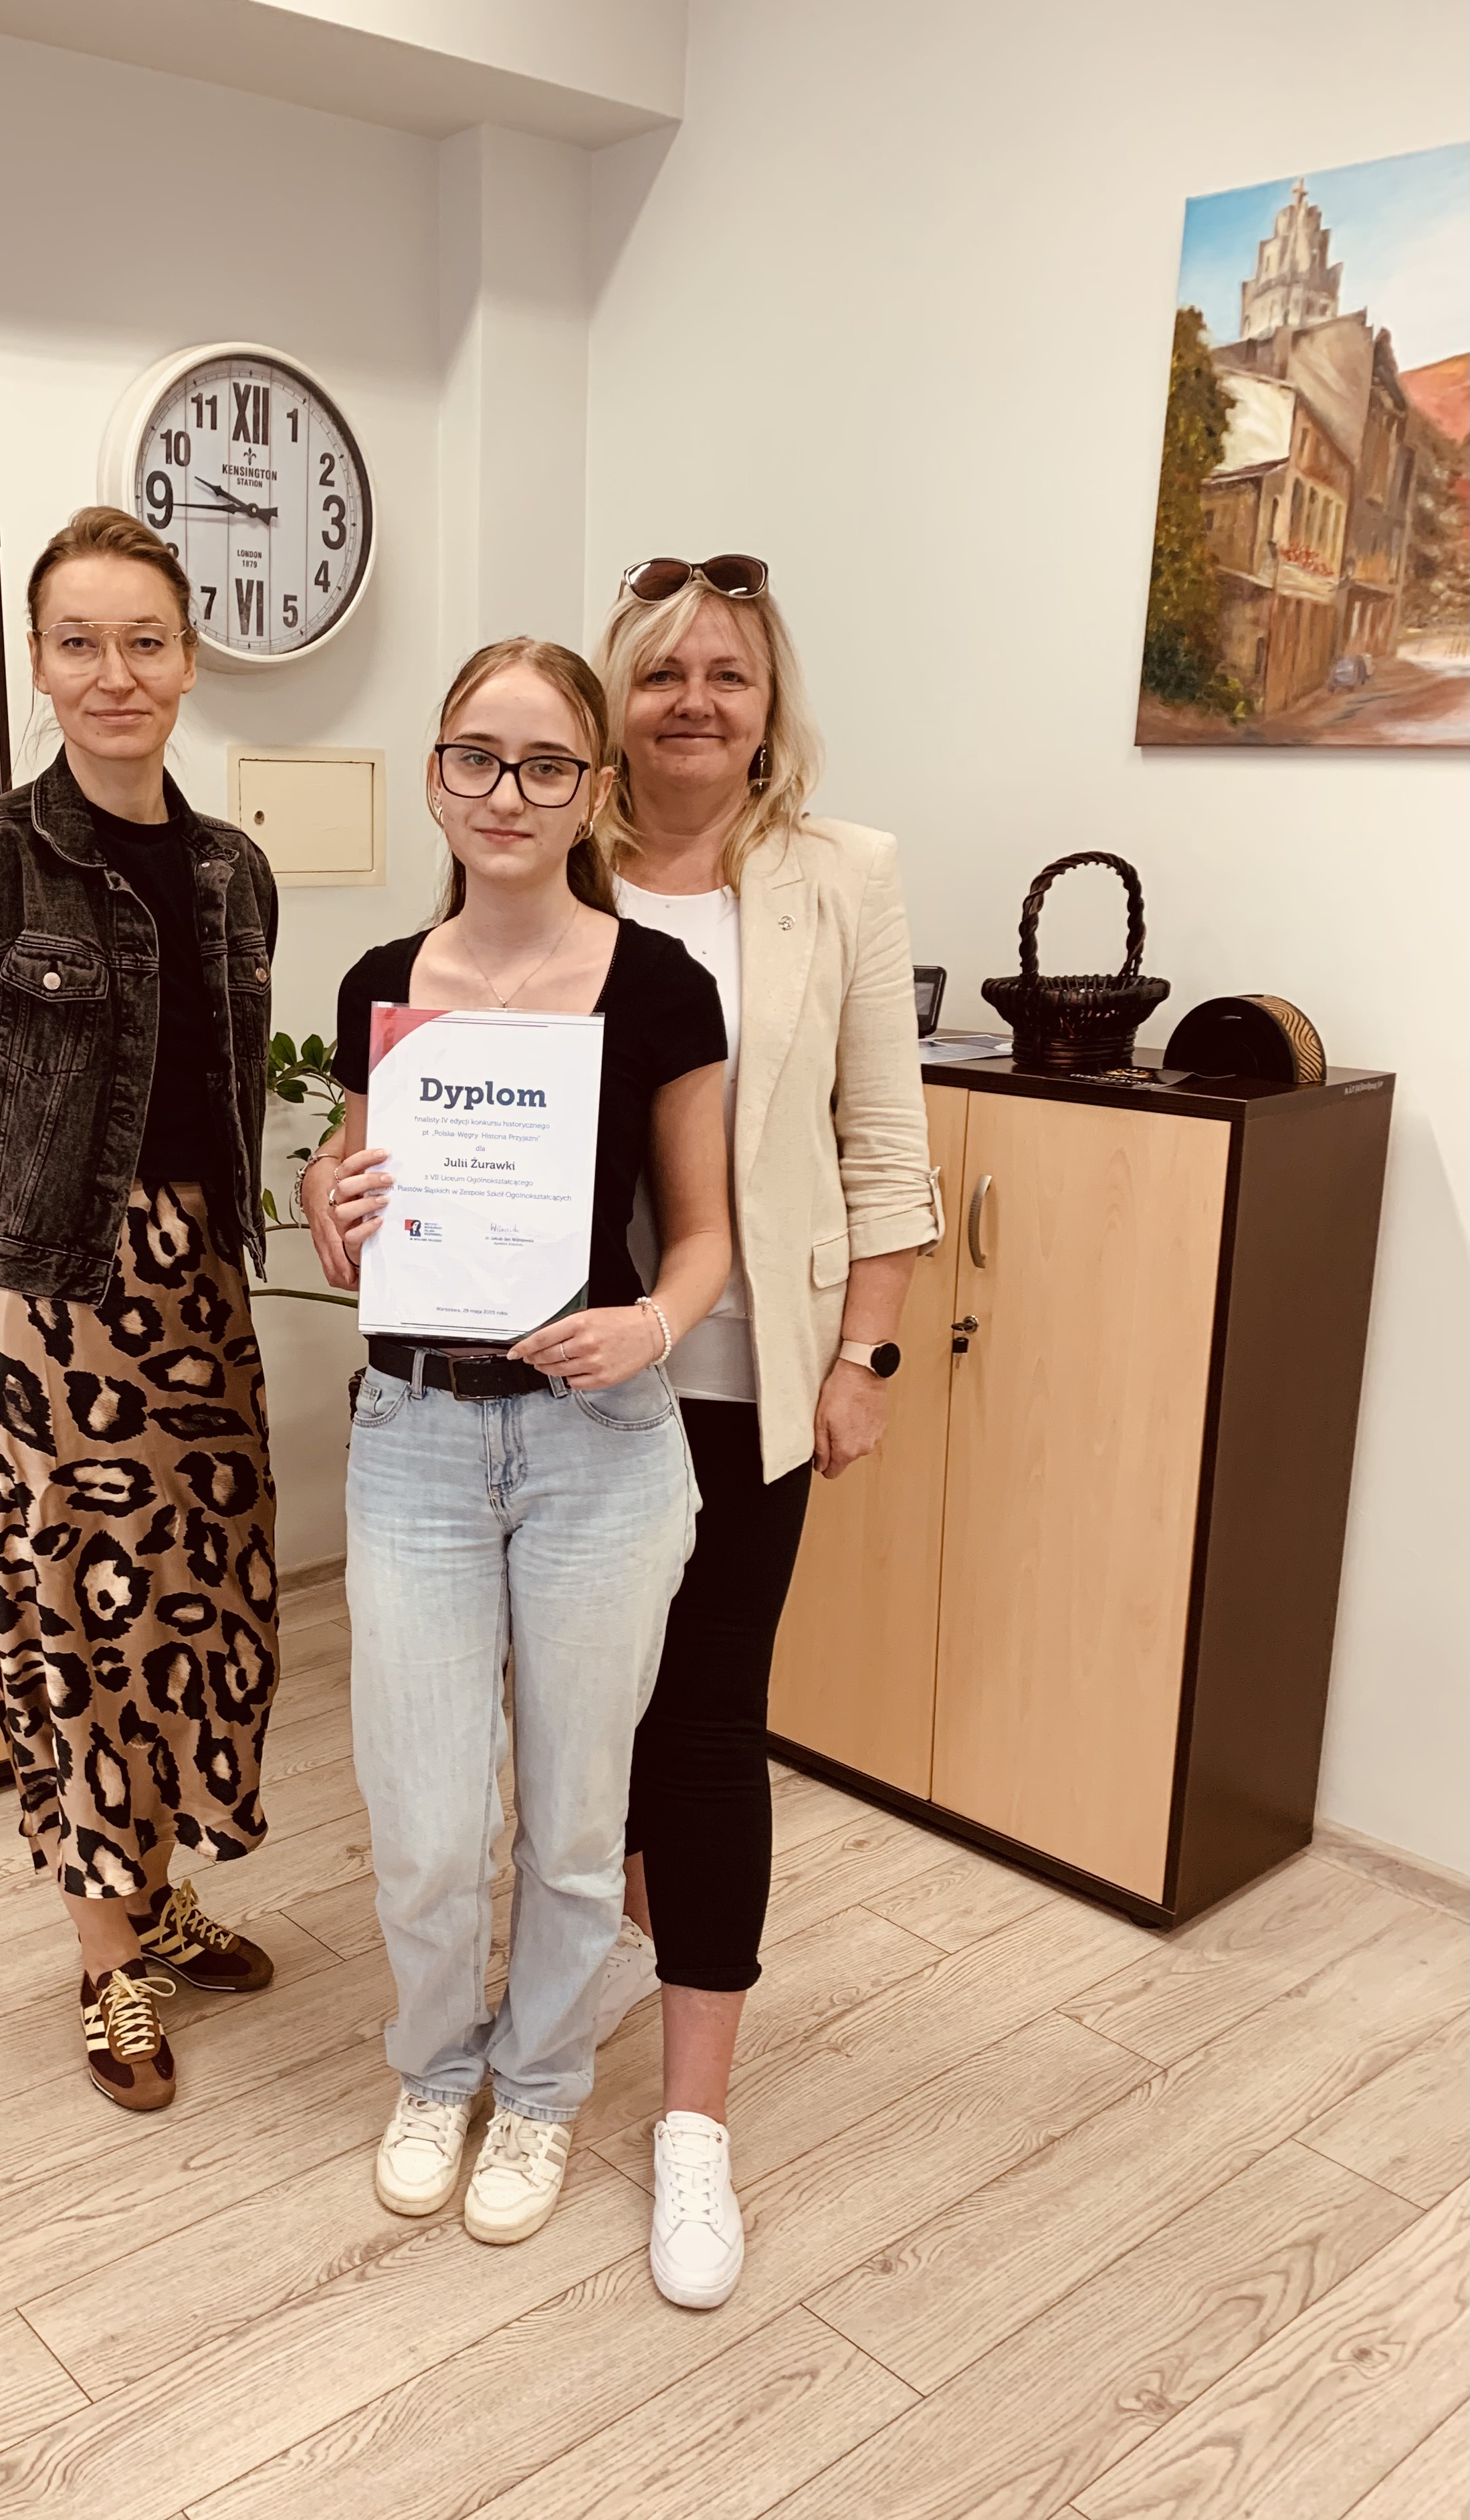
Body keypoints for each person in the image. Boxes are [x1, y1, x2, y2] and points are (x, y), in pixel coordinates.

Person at [0, 506, 282, 2115]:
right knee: (68, 1640)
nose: (114, 674)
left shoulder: (232, 873)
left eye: (144, 641)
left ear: (187, 659)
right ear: (37, 661)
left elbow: (219, 1095)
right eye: (80, 642)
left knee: (189, 1618)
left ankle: (154, 1897)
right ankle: (106, 1963)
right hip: (27, 1315)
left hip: (193, 1301)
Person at [302, 638, 730, 2248]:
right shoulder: (381, 984)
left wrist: (651, 1327)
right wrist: (326, 1200)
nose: (507, 792)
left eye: (546, 764)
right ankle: (436, 2067)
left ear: (592, 791)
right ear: (435, 777)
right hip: (415, 1436)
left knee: (570, 1823)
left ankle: (539, 2089)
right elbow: (353, 1202)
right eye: (476, 758)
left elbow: (704, 1234)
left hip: (595, 1441)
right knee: (424, 1828)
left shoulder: (659, 987)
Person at [590, 554, 936, 2309]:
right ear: (616, 699)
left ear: (766, 702)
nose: (695, 702)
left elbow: (884, 1140)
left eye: (726, 673)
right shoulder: (546, 853)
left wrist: (864, 1354)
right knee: (582, 1716)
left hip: (748, 1377)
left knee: (710, 1720)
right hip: (568, 1377)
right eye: (662, 674)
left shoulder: (837, 875)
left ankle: (692, 2126)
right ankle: (615, 1938)